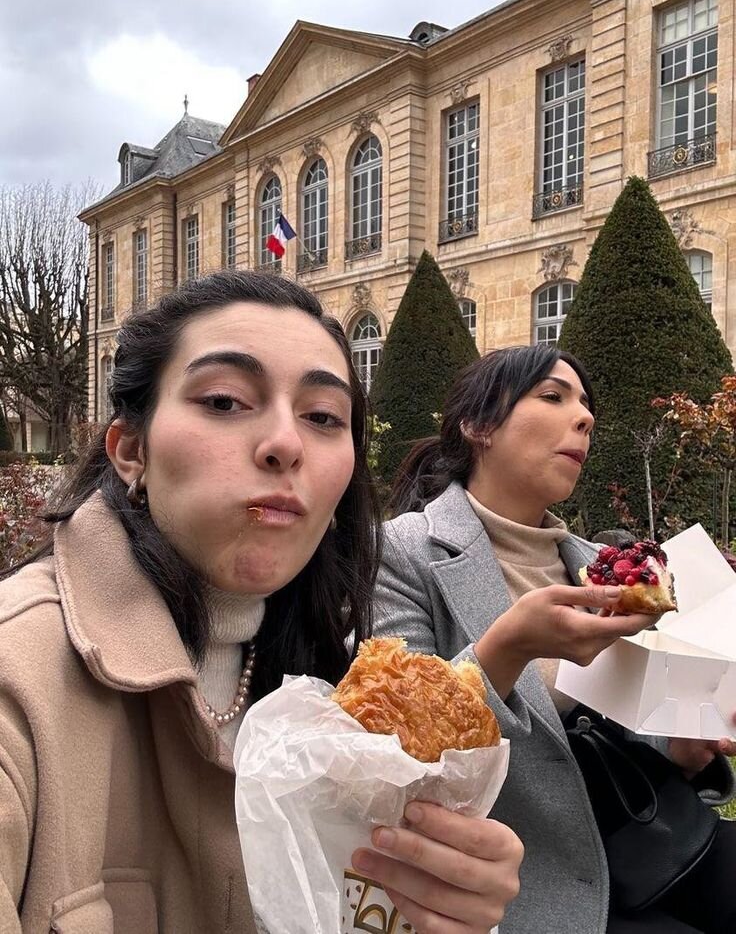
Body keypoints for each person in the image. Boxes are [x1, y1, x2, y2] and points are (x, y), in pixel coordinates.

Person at [0, 271, 523, 934]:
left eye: (323, 417)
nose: (286, 444)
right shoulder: (19, 685)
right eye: (224, 401)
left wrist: (441, 908)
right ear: (131, 449)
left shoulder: (337, 682)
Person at [373, 344, 736, 934]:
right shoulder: (401, 552)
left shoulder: (599, 564)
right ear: (478, 425)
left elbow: (622, 713)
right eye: (552, 396)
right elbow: (398, 744)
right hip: (519, 881)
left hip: (647, 841)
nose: (585, 417)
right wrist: (509, 648)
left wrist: (681, 744)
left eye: (586, 405)